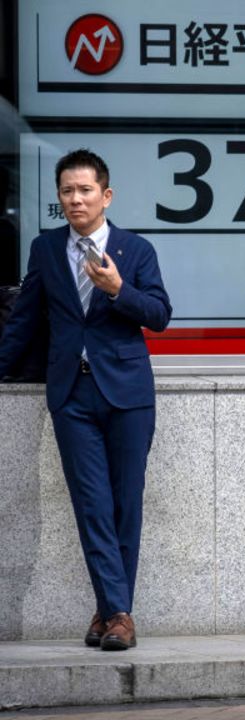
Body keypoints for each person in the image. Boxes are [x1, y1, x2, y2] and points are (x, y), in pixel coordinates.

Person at [0, 148, 171, 651]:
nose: (76, 199)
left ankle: (108, 611)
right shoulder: (47, 249)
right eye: (67, 192)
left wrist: (119, 289)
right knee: (92, 505)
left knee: (125, 506)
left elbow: (160, 314)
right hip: (71, 396)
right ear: (60, 199)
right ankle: (119, 613)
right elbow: (25, 319)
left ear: (106, 195)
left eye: (85, 190)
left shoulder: (135, 250)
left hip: (128, 394)